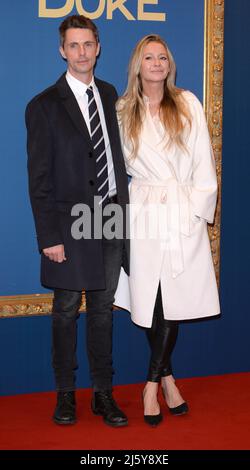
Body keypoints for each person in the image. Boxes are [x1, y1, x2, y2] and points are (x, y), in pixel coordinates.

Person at [26, 15, 129, 428]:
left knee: (103, 310)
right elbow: (39, 178)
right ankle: (65, 394)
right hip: (67, 224)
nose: (82, 52)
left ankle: (103, 394)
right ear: (62, 50)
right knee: (66, 308)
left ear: (98, 47)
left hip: (108, 216)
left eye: (88, 44)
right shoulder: (43, 105)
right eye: (73, 45)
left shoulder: (109, 93)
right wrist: (49, 236)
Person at [115, 34, 220, 426]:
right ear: (137, 65)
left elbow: (203, 164)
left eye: (163, 57)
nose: (157, 63)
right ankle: (168, 380)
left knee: (171, 299)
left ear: (169, 64)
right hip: (142, 213)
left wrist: (196, 211)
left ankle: (149, 384)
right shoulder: (123, 109)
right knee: (153, 300)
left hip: (179, 214)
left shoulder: (187, 103)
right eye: (149, 57)